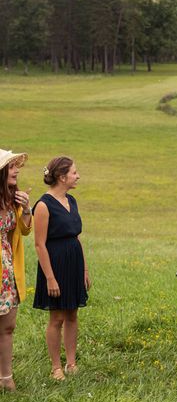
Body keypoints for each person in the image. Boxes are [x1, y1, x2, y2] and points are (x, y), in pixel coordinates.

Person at [33, 157, 90, 381]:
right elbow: (39, 244)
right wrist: (50, 278)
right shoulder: (43, 205)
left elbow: (77, 237)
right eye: (75, 173)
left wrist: (84, 270)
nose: (78, 176)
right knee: (56, 317)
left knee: (73, 314)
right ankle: (56, 367)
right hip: (54, 265)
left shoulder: (72, 200)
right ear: (61, 176)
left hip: (74, 262)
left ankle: (71, 363)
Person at [0, 149, 32, 392]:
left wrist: (27, 209)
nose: (17, 170)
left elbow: (24, 230)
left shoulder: (13, 200)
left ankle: (6, 378)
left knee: (8, 326)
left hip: (7, 271)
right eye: (11, 167)